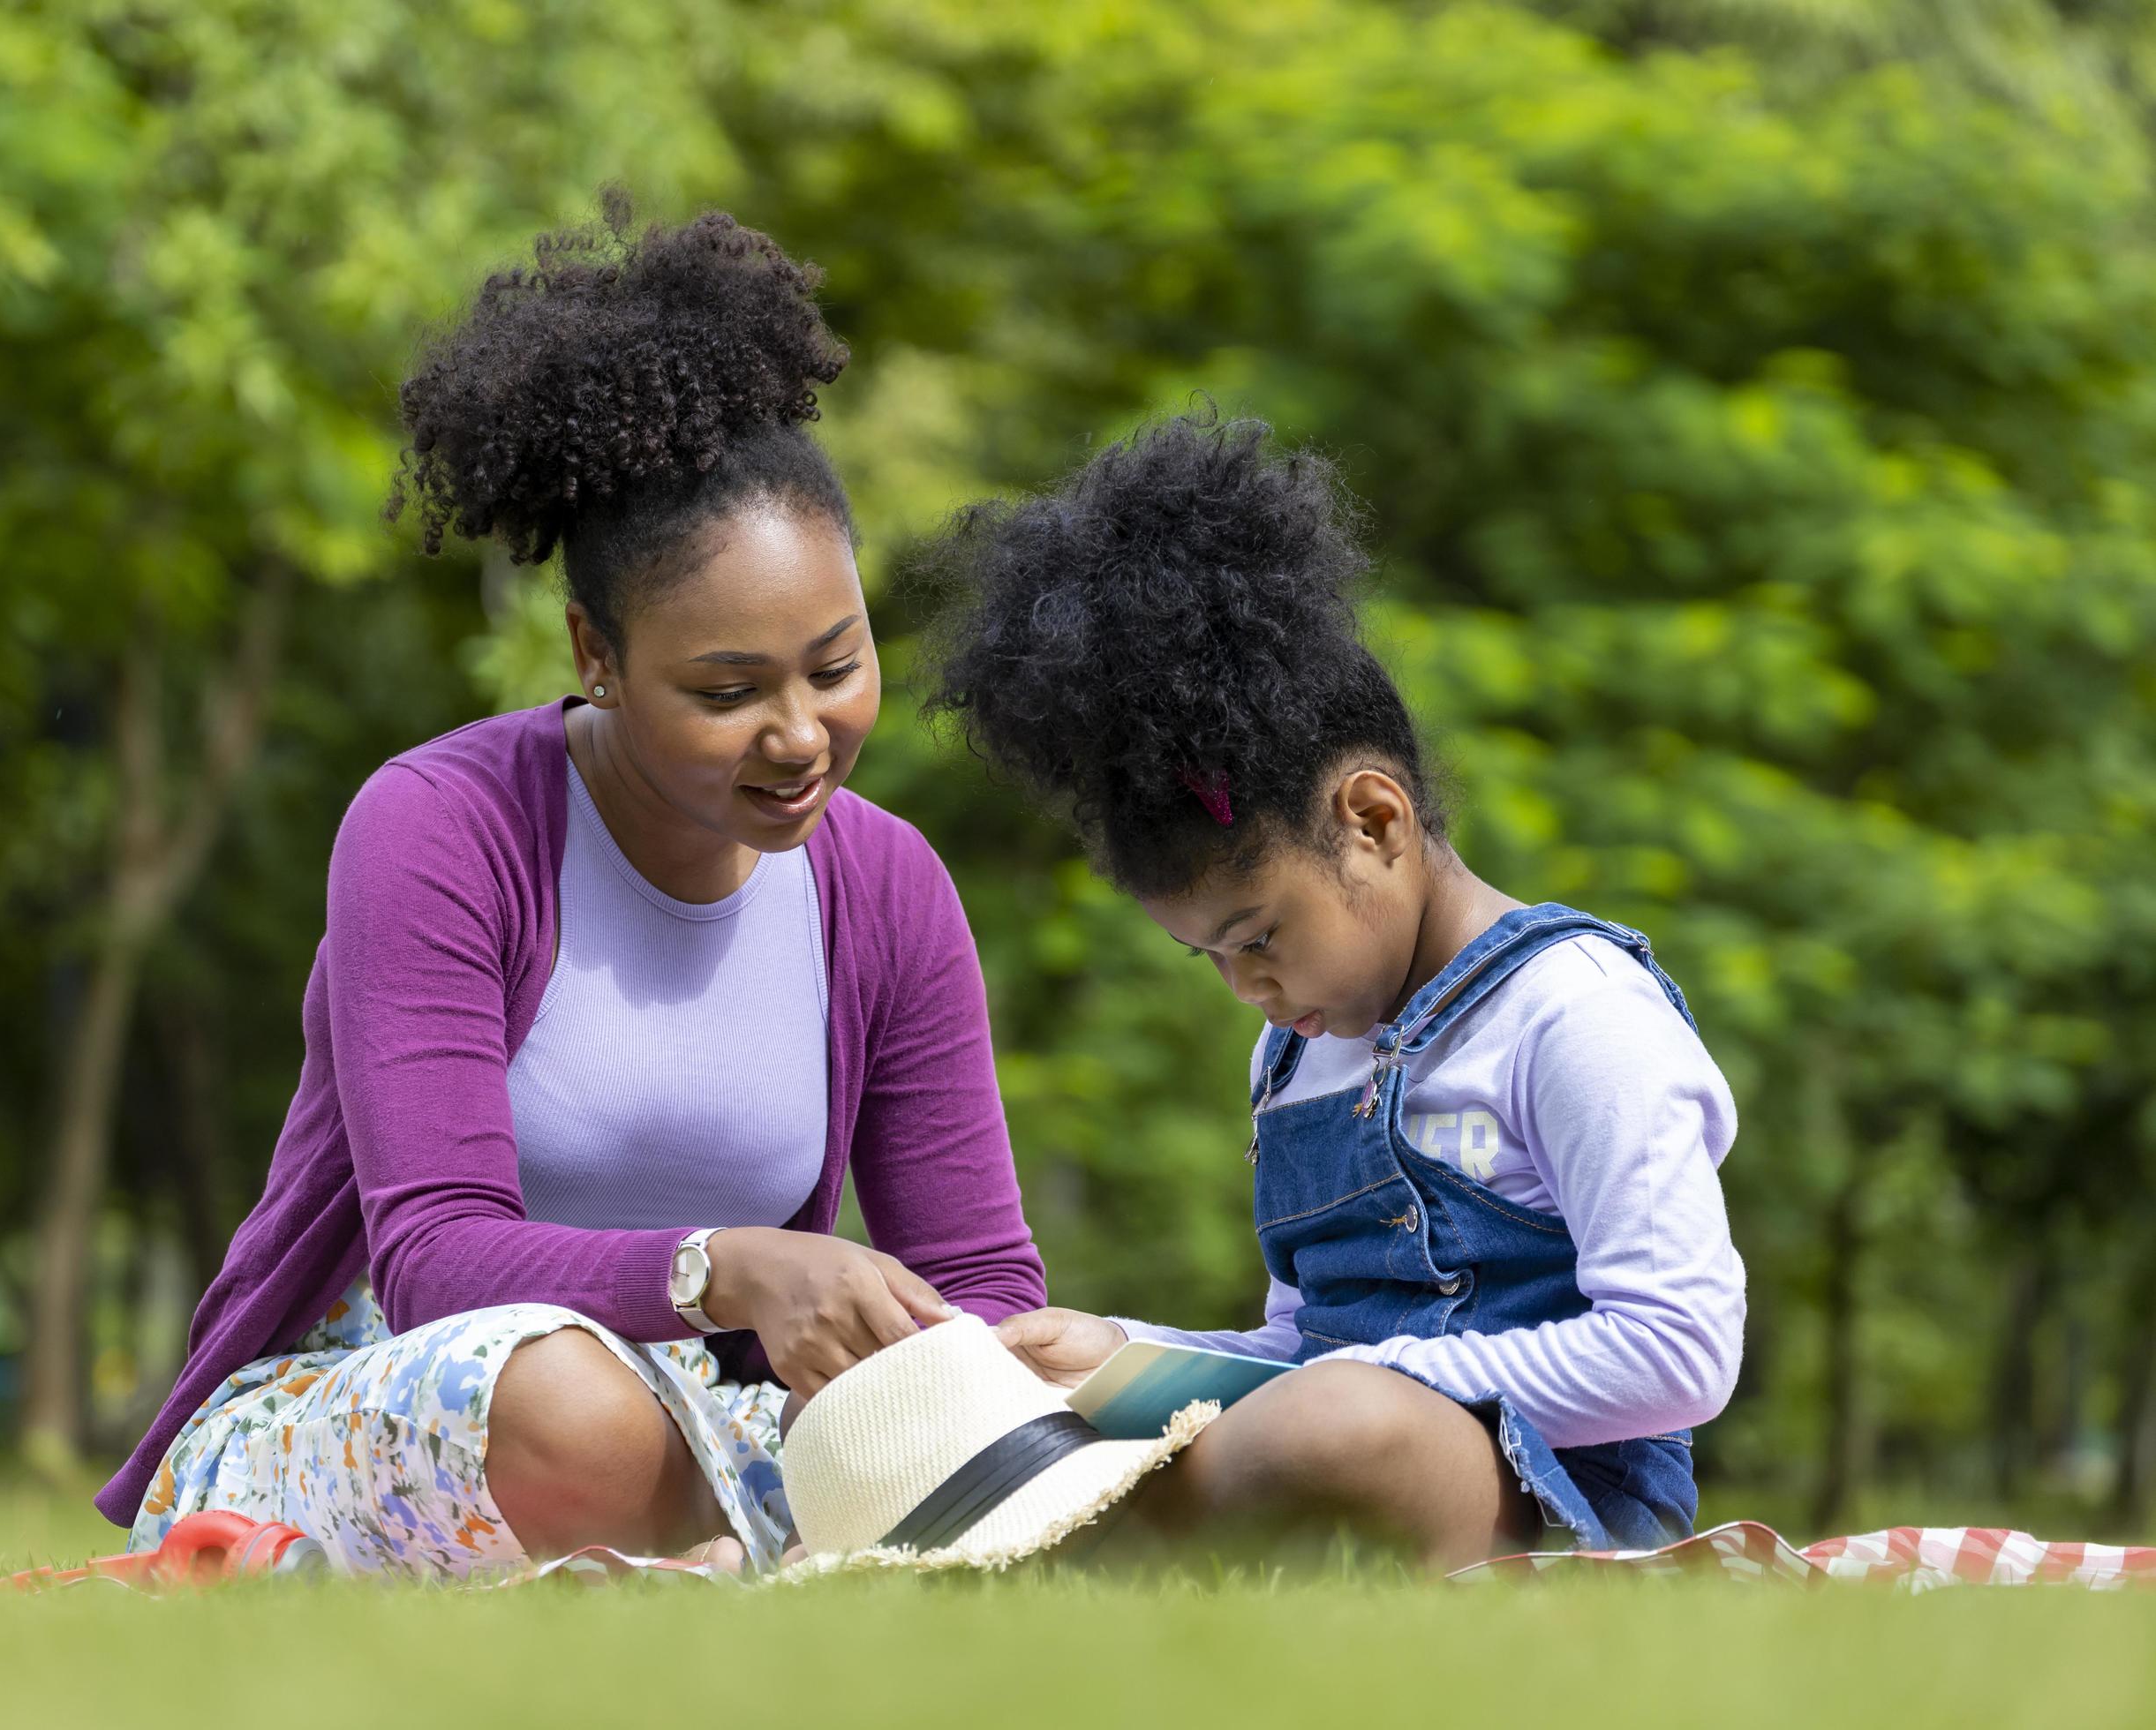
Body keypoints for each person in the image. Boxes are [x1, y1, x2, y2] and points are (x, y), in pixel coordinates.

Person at [96, 202, 1045, 1581]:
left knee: (1017, 1434)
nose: (798, 734)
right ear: (596, 652)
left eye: (835, 668)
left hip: (725, 1429)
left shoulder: (886, 885)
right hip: (407, 1401)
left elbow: (981, 1281)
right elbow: (431, 1258)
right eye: (727, 691)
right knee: (573, 1405)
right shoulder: (440, 829)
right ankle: (698, 1563)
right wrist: (723, 1269)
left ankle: (695, 1572)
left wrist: (985, 1376)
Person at [919, 411, 1745, 1570]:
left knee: (1333, 1428)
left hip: (1557, 1501)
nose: (1249, 989)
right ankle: (1061, 1536)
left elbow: (1680, 1351)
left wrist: (1367, 1382)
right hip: (1329, 1436)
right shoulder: (1298, 1055)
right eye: (1209, 956)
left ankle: (1058, 1553)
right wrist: (1125, 1351)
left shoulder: (1576, 1016)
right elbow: (1297, 1347)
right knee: (1052, 1394)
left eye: (1259, 937)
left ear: (1374, 822)